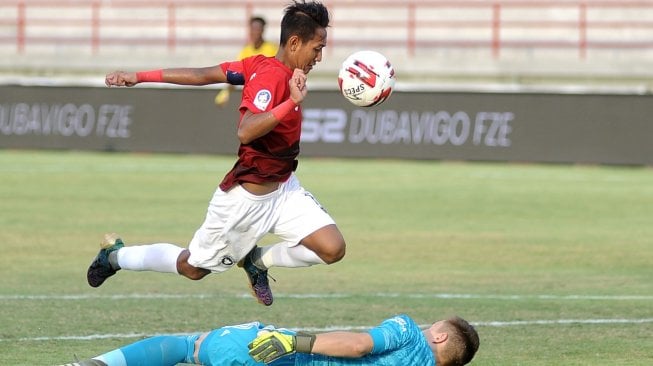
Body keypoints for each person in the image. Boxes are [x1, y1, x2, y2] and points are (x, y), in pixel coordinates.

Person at [91, 0, 345, 306]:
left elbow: (201, 74)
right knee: (192, 268)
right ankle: (116, 256)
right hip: (245, 201)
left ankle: (258, 261)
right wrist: (291, 102)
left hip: (284, 190)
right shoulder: (271, 78)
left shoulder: (261, 66)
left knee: (332, 248)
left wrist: (139, 76)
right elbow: (246, 130)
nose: (320, 56)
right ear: (294, 42)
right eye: (317, 48)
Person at [58, 314, 480, 366]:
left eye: (433, 325)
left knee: (193, 345)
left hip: (286, 358)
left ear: (440, 335)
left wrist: (295, 342)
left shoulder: (408, 332)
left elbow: (359, 345)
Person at [215, 16, 279, 107]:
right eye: (253, 29)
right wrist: (226, 92)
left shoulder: (272, 49)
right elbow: (237, 72)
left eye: (257, 29)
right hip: (251, 96)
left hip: (268, 93)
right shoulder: (246, 51)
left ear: (262, 30)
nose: (255, 32)